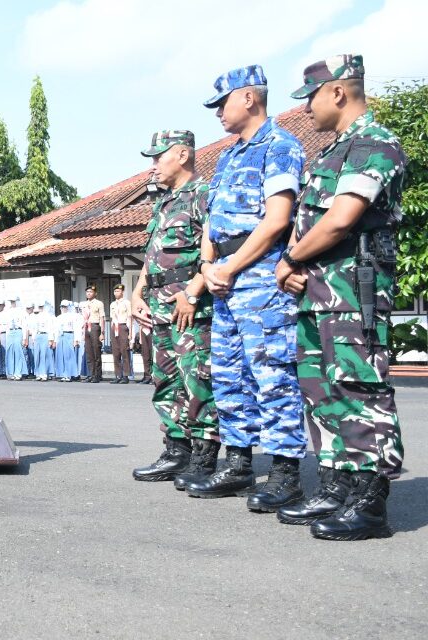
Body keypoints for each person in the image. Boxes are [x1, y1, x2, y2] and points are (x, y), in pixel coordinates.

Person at [275, 55, 406, 540]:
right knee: (319, 389)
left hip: (353, 290)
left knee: (358, 387)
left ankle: (370, 503)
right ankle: (337, 485)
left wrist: (288, 262)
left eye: (310, 96)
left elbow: (340, 219)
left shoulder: (375, 145)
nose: (306, 108)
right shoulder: (333, 152)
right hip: (316, 292)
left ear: (337, 92)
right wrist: (294, 266)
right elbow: (308, 225)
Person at [190, 65, 307, 504]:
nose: (218, 111)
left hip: (259, 279)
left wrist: (231, 266)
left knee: (271, 374)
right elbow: (211, 222)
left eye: (223, 102)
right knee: (229, 374)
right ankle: (238, 464)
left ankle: (284, 473)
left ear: (249, 98)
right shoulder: (228, 154)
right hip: (224, 277)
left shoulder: (280, 146)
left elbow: (278, 220)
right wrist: (208, 266)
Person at [128, 130, 219, 486]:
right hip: (159, 306)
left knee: (196, 380)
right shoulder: (163, 202)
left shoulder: (203, 195)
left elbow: (214, 252)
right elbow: (152, 258)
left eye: (157, 156)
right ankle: (175, 450)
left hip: (188, 308)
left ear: (182, 155)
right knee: (165, 380)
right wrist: (136, 294)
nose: (153, 165)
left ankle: (204, 456)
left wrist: (194, 292)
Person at [82, 285, 106, 383]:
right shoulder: (83, 304)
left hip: (95, 327)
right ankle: (90, 374)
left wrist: (102, 332)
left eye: (91, 292)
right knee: (89, 352)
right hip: (87, 327)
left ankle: (97, 374)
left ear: (95, 293)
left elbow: (102, 318)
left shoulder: (99, 303)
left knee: (96, 350)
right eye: (87, 292)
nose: (89, 293)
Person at [109, 283, 132, 383]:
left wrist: (130, 332)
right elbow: (112, 318)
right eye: (115, 291)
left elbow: (130, 317)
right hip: (115, 327)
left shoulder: (127, 302)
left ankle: (126, 375)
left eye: (118, 291)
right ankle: (118, 375)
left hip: (123, 327)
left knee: (124, 352)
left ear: (122, 292)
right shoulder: (113, 304)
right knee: (116, 352)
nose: (116, 293)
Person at [55, 301, 79, 381]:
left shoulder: (72, 317)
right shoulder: (58, 317)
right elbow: (56, 330)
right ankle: (63, 374)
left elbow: (76, 328)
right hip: (61, 336)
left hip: (69, 335)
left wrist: (76, 339)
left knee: (68, 356)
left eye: (65, 307)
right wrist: (55, 340)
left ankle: (69, 374)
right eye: (62, 307)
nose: (63, 308)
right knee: (61, 356)